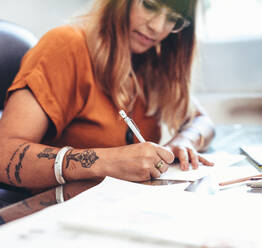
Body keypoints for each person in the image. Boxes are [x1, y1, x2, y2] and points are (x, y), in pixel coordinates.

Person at [0, 0, 215, 190]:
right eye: (150, 5)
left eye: (173, 19)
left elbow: (202, 121)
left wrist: (185, 141)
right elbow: (4, 154)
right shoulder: (65, 45)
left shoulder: (151, 62)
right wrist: (107, 162)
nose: (157, 27)